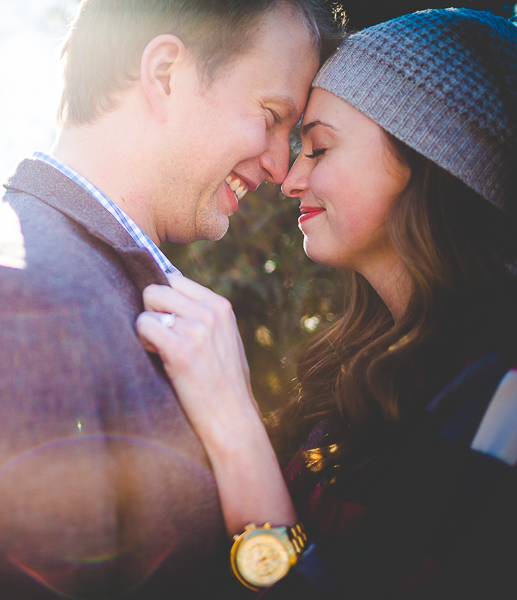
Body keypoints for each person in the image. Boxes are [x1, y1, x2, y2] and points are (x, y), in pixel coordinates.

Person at [0, 1, 343, 597]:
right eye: (271, 115)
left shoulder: (122, 292)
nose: (277, 163)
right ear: (165, 73)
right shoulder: (5, 305)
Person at [137, 8, 517, 598]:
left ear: (427, 159)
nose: (288, 177)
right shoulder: (357, 385)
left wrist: (233, 423)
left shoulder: (504, 405)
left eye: (317, 148)